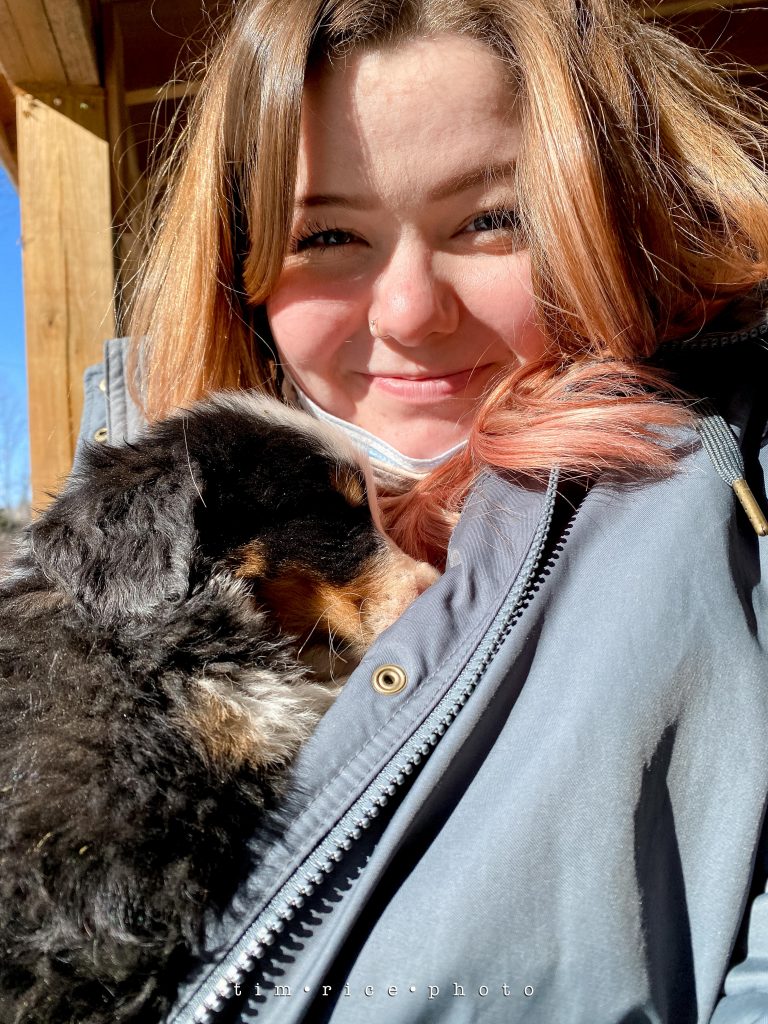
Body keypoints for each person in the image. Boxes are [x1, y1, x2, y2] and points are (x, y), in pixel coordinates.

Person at [77, 0, 768, 1021]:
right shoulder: (127, 536)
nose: (407, 313)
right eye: (326, 234)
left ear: (604, 211)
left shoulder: (735, 495)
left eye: (492, 219)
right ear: (239, 264)